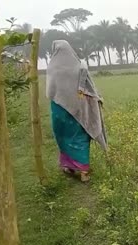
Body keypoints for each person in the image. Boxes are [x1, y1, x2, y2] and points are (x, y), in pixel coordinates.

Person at [46, 40, 107, 182]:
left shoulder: (52, 67)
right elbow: (89, 87)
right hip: (79, 109)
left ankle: (69, 166)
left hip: (59, 110)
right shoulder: (80, 65)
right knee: (79, 136)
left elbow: (50, 92)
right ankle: (83, 172)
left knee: (63, 137)